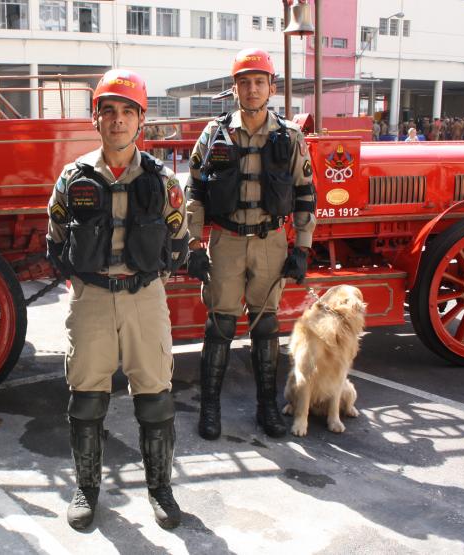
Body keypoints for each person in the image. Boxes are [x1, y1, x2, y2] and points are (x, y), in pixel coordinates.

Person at [45, 69, 190, 530]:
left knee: (155, 397)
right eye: (109, 111)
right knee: (86, 398)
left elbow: (178, 238)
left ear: (140, 121)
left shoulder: (162, 180)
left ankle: (160, 488)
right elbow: (55, 237)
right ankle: (87, 489)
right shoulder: (74, 178)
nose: (118, 121)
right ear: (96, 118)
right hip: (91, 298)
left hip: (144, 297)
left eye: (128, 112)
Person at [184, 48, 316, 442]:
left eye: (259, 82)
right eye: (245, 82)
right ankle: (210, 410)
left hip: (270, 241)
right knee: (220, 327)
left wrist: (302, 248)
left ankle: (266, 408)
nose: (252, 89)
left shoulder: (290, 136)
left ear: (271, 87)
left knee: (266, 327)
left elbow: (306, 192)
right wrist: (193, 244)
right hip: (225, 241)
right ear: (235, 87)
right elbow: (194, 190)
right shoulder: (214, 134)